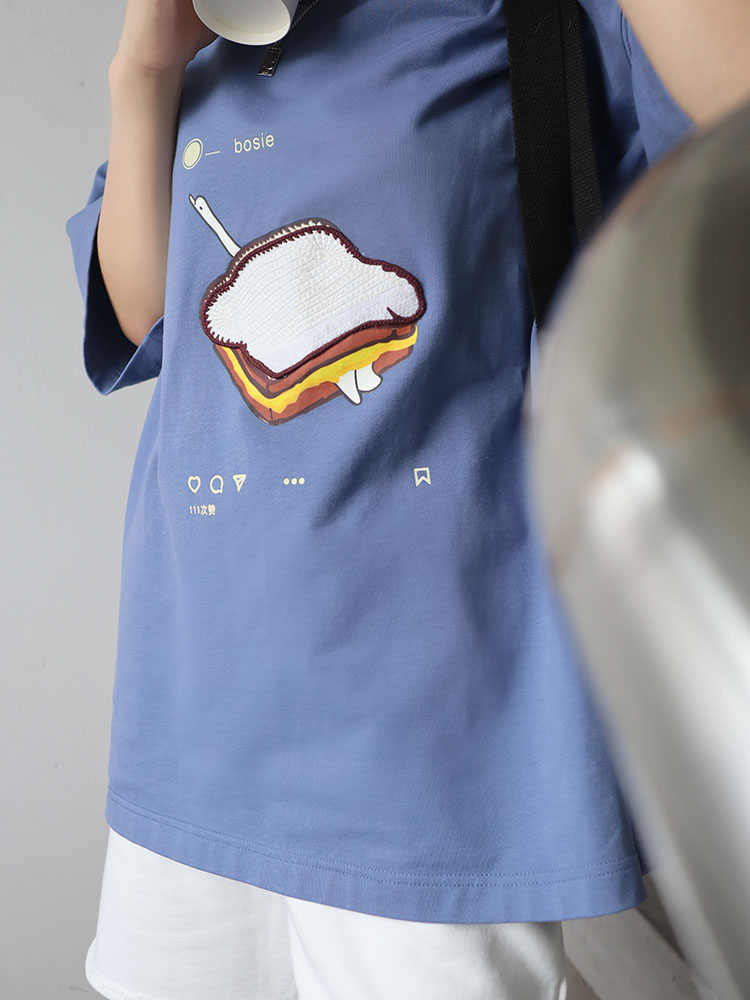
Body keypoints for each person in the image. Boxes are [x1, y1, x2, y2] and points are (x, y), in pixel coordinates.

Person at [62, 1, 740, 997]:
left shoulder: (539, 22)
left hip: (431, 748)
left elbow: (733, 117)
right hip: (196, 710)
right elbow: (141, 314)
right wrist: (145, 69)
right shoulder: (207, 42)